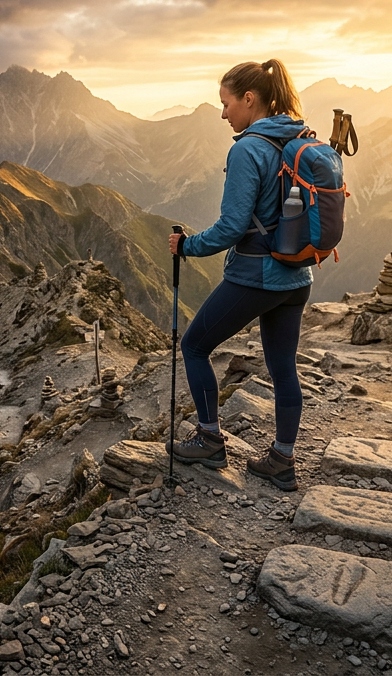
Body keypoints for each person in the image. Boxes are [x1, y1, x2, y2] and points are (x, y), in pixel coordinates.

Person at [167, 59, 313, 492]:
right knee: (283, 367)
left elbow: (231, 228)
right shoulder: (299, 136)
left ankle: (209, 438)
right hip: (297, 276)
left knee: (194, 345)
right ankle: (282, 461)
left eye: (226, 103)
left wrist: (187, 245)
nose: (223, 113)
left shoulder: (248, 148)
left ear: (249, 100)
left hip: (257, 275)